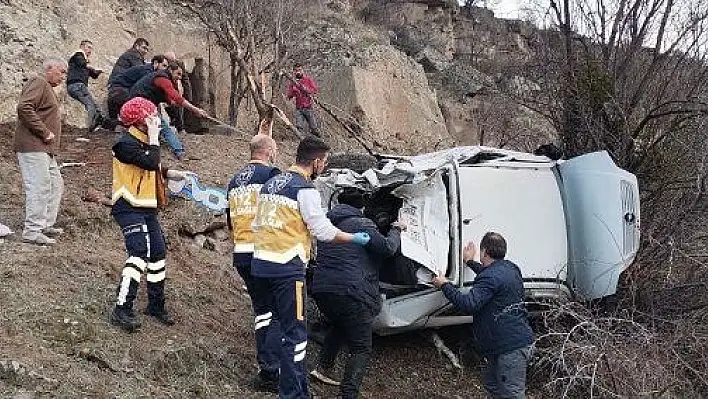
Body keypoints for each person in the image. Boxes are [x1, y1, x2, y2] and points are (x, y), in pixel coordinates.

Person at [251, 136, 372, 398]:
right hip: (287, 269)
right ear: (316, 162)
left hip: (260, 265)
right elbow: (321, 230)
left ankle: (272, 374)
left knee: (274, 323)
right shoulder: (304, 189)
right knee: (296, 335)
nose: (324, 166)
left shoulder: (271, 183)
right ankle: (293, 394)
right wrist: (352, 238)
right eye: (325, 162)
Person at [309, 188, 404, 398]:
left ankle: (323, 367)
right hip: (352, 291)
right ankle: (349, 393)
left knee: (340, 325)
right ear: (361, 207)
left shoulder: (326, 223)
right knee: (361, 347)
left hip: (323, 290)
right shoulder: (362, 224)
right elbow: (388, 248)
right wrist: (397, 229)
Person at [108, 97, 191, 332]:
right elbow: (147, 160)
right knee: (138, 253)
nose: (156, 120)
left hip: (146, 207)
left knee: (157, 253)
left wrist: (170, 173)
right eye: (151, 117)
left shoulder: (143, 140)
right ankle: (122, 308)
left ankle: (156, 304)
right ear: (140, 121)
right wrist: (155, 139)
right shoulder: (124, 143)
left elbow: (151, 163)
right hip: (128, 206)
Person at [431, 233, 534, 398]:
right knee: (491, 383)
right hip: (508, 343)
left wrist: (444, 285)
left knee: (511, 394)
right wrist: (470, 262)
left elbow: (469, 304)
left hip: (510, 348)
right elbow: (490, 277)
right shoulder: (510, 268)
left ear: (484, 252)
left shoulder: (490, 277)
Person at [226, 134, 282, 393]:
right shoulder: (272, 175)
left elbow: (230, 220)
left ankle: (266, 366)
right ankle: (271, 370)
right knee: (278, 311)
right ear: (269, 151)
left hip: (242, 253)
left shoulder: (234, 180)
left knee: (262, 311)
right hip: (265, 251)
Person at [14, 57, 68, 246]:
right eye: (62, 71)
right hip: (33, 146)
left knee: (55, 184)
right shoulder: (38, 82)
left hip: (44, 149)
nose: (64, 76)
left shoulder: (47, 87)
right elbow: (24, 107)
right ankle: (32, 231)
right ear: (49, 68)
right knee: (39, 186)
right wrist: (44, 132)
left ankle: (44, 223)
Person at [129, 62, 209, 160]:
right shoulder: (163, 79)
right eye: (178, 74)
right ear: (170, 70)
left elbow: (172, 101)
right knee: (163, 126)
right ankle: (179, 151)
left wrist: (180, 94)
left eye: (181, 75)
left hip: (142, 103)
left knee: (158, 124)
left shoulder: (166, 80)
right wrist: (195, 110)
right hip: (139, 103)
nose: (179, 77)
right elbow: (176, 97)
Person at [107, 55, 168, 125]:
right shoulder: (148, 71)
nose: (165, 69)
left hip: (121, 89)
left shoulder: (150, 71)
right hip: (118, 89)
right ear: (156, 63)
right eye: (164, 66)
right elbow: (140, 90)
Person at [67, 40, 104, 132]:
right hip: (77, 85)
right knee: (91, 105)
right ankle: (91, 128)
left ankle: (98, 125)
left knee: (95, 106)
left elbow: (93, 75)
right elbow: (82, 63)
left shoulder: (83, 61)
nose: (90, 50)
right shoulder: (78, 54)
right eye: (88, 47)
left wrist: (97, 72)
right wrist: (91, 67)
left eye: (91, 48)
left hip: (76, 86)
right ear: (82, 46)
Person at [286, 64, 320, 136]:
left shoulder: (308, 80)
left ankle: (318, 141)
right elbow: (289, 96)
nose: (298, 72)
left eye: (299, 70)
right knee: (299, 126)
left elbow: (315, 90)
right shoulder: (292, 82)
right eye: (296, 70)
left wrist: (306, 89)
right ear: (293, 72)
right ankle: (302, 142)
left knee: (314, 127)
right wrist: (293, 91)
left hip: (308, 107)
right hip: (299, 108)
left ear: (302, 70)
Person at [164, 52, 191, 135]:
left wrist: (188, 96)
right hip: (166, 88)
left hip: (177, 89)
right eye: (170, 61)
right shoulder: (164, 66)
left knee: (179, 107)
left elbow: (185, 80)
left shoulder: (179, 65)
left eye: (173, 61)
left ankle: (180, 127)